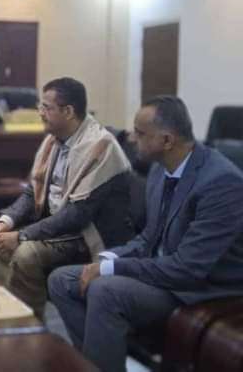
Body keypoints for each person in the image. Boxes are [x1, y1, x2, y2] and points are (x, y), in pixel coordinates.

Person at [48, 96, 243, 372]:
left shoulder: (221, 183)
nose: (131, 138)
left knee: (105, 290)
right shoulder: (161, 169)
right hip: (163, 271)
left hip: (200, 287)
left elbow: (187, 269)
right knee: (62, 280)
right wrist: (108, 258)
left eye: (140, 133)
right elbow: (149, 238)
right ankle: (96, 363)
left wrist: (111, 268)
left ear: (167, 140)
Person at [0, 77, 133, 318]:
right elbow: (31, 192)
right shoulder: (53, 140)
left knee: (26, 253)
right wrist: (5, 222)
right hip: (52, 225)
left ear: (68, 112)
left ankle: (26, 324)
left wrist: (22, 236)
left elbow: (77, 215)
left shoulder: (100, 147)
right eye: (40, 106)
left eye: (46, 107)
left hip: (84, 236)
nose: (40, 113)